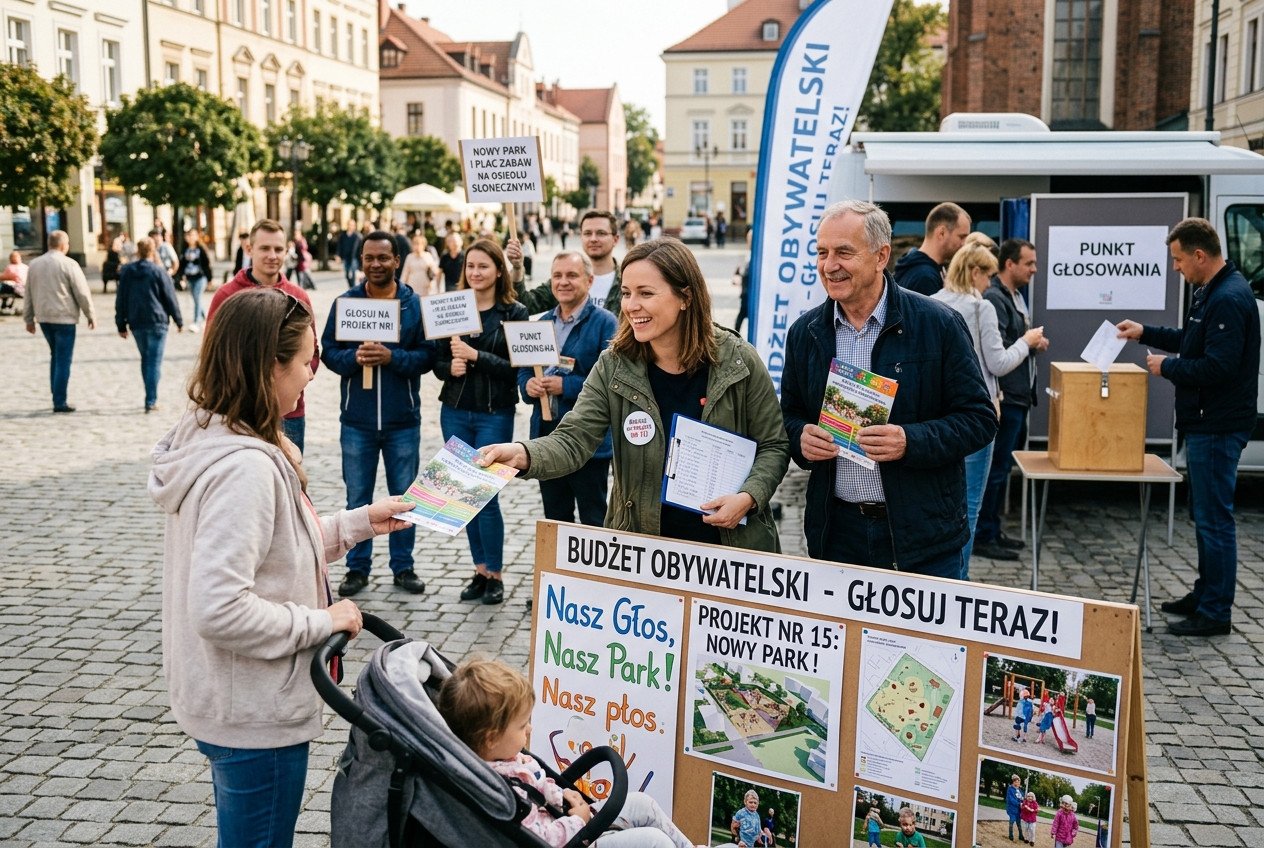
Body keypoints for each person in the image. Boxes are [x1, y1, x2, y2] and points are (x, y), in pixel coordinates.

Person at [150, 287, 412, 848]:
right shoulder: (244, 469)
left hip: (234, 699)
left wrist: (360, 523)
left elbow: (276, 547)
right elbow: (219, 608)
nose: (312, 373)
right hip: (253, 710)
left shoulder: (215, 432)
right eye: (304, 360)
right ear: (269, 365)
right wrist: (324, 621)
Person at [479, 239, 789, 553]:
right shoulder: (614, 365)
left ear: (685, 297)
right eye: (626, 293)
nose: (630, 306)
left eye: (646, 293)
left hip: (729, 551)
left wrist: (749, 497)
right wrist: (521, 454)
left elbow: (774, 445)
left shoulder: (738, 361)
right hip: (642, 550)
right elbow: (573, 440)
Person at [780, 200, 996, 578]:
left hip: (922, 537)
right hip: (838, 535)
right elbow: (790, 414)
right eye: (822, 252)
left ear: (881, 256)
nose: (829, 265)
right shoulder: (806, 333)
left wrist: (909, 441)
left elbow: (980, 419)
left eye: (844, 252)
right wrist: (801, 438)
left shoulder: (938, 324)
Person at [1117, 217, 1260, 637]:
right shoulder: (1211, 291)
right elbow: (1191, 339)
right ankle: (1205, 594)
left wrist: (1169, 368)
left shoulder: (1228, 297)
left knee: (1214, 519)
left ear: (1199, 255)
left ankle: (1215, 612)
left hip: (1217, 424)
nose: (1176, 267)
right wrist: (1145, 332)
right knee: (1205, 516)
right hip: (1205, 422)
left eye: (1179, 260)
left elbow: (1218, 366)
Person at [436, 658, 696, 848]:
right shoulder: (496, 791)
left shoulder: (508, 757)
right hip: (569, 839)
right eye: (522, 725)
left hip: (567, 818)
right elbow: (540, 838)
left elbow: (538, 785)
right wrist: (578, 821)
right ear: (491, 739)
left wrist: (561, 795)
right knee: (654, 842)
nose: (530, 729)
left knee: (642, 803)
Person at [321, 232, 434, 598]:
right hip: (357, 420)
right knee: (358, 498)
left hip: (403, 420)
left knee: (404, 499)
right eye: (369, 257)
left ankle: (403, 566)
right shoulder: (346, 303)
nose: (375, 264)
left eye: (383, 258)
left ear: (397, 261)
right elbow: (328, 351)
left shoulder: (413, 306)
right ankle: (357, 568)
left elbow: (427, 357)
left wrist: (392, 357)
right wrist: (353, 359)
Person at [932, 242, 1045, 574]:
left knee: (941, 503)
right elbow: (998, 363)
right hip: (976, 413)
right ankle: (960, 576)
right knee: (969, 504)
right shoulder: (981, 308)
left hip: (938, 415)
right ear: (974, 272)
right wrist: (1026, 342)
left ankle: (942, 575)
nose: (989, 283)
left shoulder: (933, 301)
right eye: (988, 276)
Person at [435, 239, 528, 606]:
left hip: (494, 412)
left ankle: (496, 574)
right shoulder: (453, 307)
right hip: (456, 410)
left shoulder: (514, 312)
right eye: (470, 266)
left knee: (485, 495)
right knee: (463, 494)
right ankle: (479, 570)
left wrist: (476, 356)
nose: (475, 272)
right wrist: (450, 367)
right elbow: (436, 360)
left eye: (483, 266)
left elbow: (516, 369)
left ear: (499, 271)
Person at [517, 251, 617, 527]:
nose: (563, 282)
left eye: (572, 275)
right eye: (557, 276)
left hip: (588, 439)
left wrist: (566, 385)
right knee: (555, 518)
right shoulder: (541, 323)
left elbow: (612, 381)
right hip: (546, 434)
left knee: (593, 518)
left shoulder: (605, 323)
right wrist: (528, 385)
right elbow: (525, 370)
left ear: (589, 280)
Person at [208, 219, 318, 453]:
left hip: (288, 410)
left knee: (289, 470)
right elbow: (213, 355)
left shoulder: (298, 296)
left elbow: (312, 352)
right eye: (265, 248)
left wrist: (291, 381)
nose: (272, 255)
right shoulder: (227, 295)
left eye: (278, 249)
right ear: (249, 249)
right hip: (240, 409)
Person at [976, 239, 1049, 558]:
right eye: (1029, 263)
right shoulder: (994, 298)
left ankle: (992, 529)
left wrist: (1032, 344)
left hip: (1018, 395)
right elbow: (1000, 352)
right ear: (1009, 264)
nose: (1034, 269)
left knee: (1002, 468)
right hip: (1006, 397)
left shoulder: (1014, 296)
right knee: (995, 469)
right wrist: (1027, 342)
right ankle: (983, 535)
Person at [24, 230, 97, 413]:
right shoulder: (69, 264)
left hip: (43, 317)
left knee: (55, 356)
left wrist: (29, 318)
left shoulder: (34, 264)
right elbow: (82, 292)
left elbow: (28, 293)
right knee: (63, 359)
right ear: (64, 245)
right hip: (64, 318)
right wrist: (90, 314)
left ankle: (56, 394)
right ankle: (59, 400)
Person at [115, 237, 183, 412]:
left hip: (136, 321)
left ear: (138, 251)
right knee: (153, 361)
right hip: (157, 321)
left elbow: (121, 298)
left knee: (146, 359)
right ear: (153, 251)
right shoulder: (158, 271)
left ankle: (150, 396)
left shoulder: (127, 272)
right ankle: (151, 399)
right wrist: (178, 320)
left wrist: (120, 324)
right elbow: (170, 297)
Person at [893, 202, 971, 296]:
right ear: (941, 233)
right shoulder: (925, 278)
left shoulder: (914, 267)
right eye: (961, 237)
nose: (964, 244)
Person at [173, 228, 213, 332]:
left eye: (193, 235)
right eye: (189, 235)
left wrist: (209, 279)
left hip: (200, 277)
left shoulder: (201, 249)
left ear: (197, 237)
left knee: (197, 297)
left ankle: (196, 322)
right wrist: (181, 277)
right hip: (190, 278)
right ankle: (206, 317)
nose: (191, 237)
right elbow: (182, 265)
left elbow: (206, 265)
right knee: (196, 299)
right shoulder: (185, 249)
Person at [337, 220, 362, 287]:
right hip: (346, 257)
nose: (351, 226)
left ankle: (353, 287)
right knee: (347, 274)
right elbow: (339, 246)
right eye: (349, 225)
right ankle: (351, 286)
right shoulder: (343, 235)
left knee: (353, 274)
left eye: (352, 225)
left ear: (354, 226)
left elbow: (360, 248)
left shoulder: (357, 236)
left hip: (354, 258)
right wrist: (338, 255)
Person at [1005, 774, 1024, 841]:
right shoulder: (1010, 789)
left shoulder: (1019, 790)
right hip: (1012, 809)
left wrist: (1023, 801)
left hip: (1018, 810)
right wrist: (1018, 804)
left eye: (1019, 782)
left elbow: (1022, 798)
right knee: (1012, 821)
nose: (1018, 783)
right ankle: (1010, 835)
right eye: (1016, 782)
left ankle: (1021, 836)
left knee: (1019, 823)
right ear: (1013, 782)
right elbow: (1010, 799)